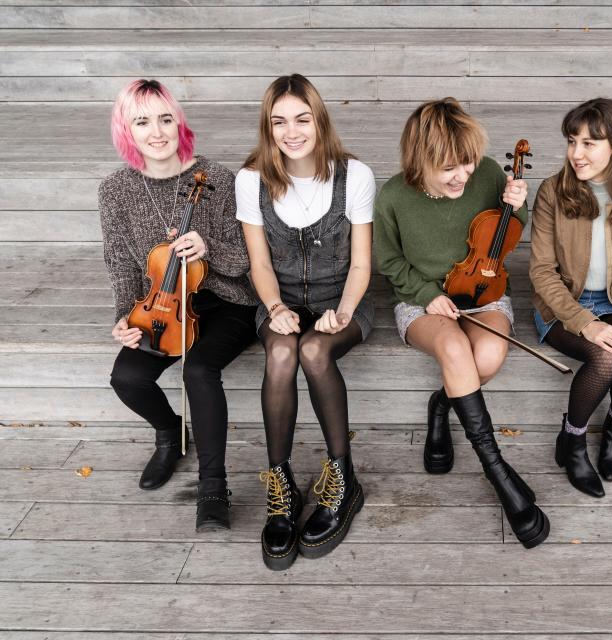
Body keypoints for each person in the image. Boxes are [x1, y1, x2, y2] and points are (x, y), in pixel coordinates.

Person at [373, 97, 549, 549]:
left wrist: (518, 206)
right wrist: (428, 295)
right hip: (422, 301)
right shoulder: (393, 196)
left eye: (467, 163)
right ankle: (497, 469)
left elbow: (506, 231)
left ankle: (442, 405)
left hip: (484, 289)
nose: (462, 175)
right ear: (420, 160)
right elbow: (389, 261)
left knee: (487, 355)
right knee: (454, 349)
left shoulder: (489, 172)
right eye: (449, 167)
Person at [99, 79, 257, 531]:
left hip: (226, 301)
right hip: (160, 305)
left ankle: (212, 488)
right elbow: (122, 263)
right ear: (127, 130)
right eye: (142, 121)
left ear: (179, 122)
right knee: (126, 377)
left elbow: (248, 261)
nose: (157, 131)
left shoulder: (220, 179)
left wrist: (208, 248)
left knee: (198, 370)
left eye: (166, 118)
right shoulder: (116, 190)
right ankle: (171, 432)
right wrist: (124, 319)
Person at [237, 74, 375, 569]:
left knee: (315, 351)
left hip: (346, 300)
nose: (291, 131)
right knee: (280, 352)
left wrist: (342, 308)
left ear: (319, 120)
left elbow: (361, 264)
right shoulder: (251, 179)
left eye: (301, 119)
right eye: (279, 122)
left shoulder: (353, 175)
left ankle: (343, 480)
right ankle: (282, 487)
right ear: (267, 127)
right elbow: (259, 265)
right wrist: (275, 309)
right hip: (282, 301)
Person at [529, 98, 612, 498]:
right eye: (572, 141)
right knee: (605, 357)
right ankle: (573, 439)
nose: (576, 153)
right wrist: (586, 322)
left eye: (589, 143)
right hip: (562, 304)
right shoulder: (554, 191)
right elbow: (541, 272)